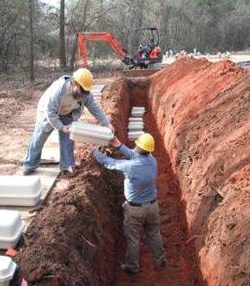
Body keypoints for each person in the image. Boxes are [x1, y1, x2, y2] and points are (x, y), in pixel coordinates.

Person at [93, 133, 166, 275]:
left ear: (137, 147)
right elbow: (133, 154)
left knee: (133, 240)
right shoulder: (152, 160)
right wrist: (118, 144)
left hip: (135, 211)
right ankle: (160, 260)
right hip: (153, 207)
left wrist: (95, 152)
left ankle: (132, 267)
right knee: (154, 234)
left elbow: (110, 163)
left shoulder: (130, 166)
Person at [23, 68, 113, 175]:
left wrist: (107, 123)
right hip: (47, 112)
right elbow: (50, 111)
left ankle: (67, 166)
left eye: (85, 91)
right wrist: (60, 126)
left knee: (68, 139)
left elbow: (94, 107)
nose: (83, 94)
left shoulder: (85, 93)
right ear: (74, 82)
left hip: (67, 113)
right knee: (39, 138)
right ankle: (29, 164)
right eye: (82, 90)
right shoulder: (58, 90)